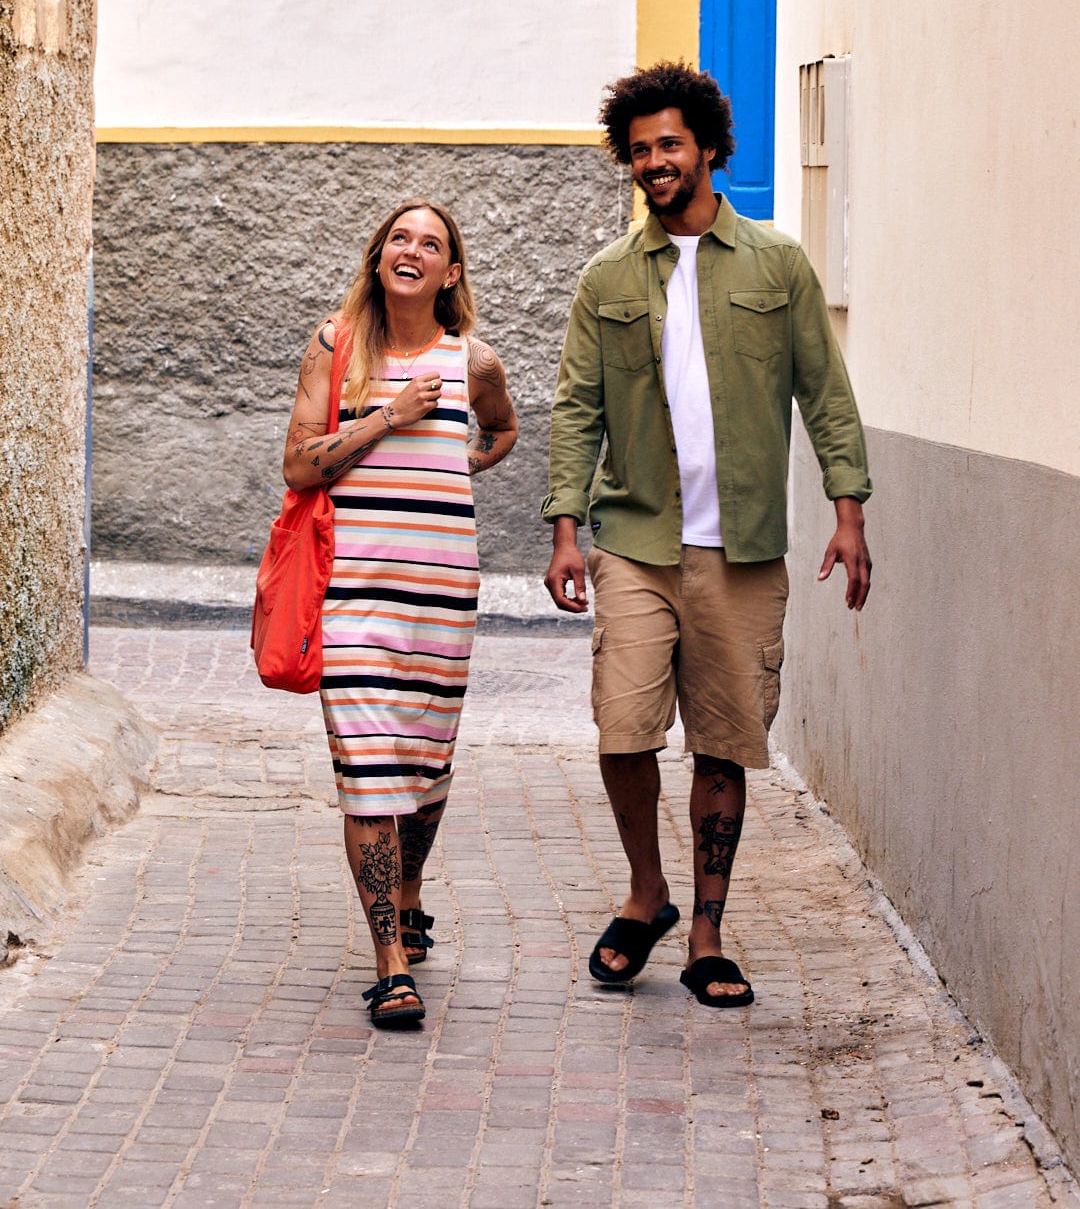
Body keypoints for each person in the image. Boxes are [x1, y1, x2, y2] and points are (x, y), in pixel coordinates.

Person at [542, 62, 871, 1008]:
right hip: (636, 540)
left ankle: (707, 931)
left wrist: (849, 511)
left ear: (710, 150)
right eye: (639, 149)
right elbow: (575, 411)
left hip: (743, 548)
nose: (654, 161)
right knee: (623, 728)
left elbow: (826, 395)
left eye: (669, 144)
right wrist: (566, 530)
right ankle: (646, 891)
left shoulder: (777, 264)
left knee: (724, 743)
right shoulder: (606, 278)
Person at [283, 200, 517, 1027]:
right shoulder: (335, 347)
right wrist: (391, 419)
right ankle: (389, 964)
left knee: (423, 767)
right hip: (350, 597)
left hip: (443, 600)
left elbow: (503, 429)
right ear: (378, 255)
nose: (411, 249)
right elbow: (299, 463)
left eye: (432, 243)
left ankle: (409, 893)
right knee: (370, 775)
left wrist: (449, 475)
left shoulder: (473, 360)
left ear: (450, 273)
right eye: (399, 237)